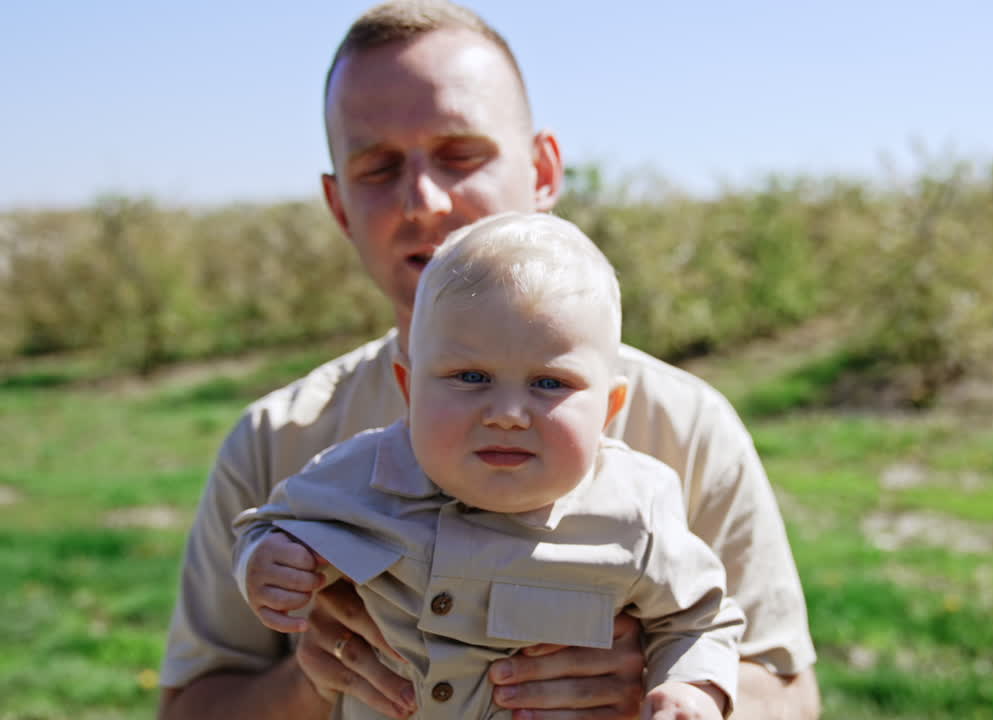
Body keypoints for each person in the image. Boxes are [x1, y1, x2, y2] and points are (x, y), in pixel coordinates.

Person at [157, 2, 820, 719]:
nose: (424, 200)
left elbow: (791, 694)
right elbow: (189, 705)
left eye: (460, 155)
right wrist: (313, 680)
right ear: (339, 205)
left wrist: (658, 687)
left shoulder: (686, 427)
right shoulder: (277, 442)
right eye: (377, 167)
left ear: (541, 171)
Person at [233, 212, 744, 720]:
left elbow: (701, 618)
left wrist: (691, 688)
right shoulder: (356, 474)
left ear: (609, 410)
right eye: (471, 376)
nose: (506, 415)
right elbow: (271, 523)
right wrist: (266, 558)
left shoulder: (635, 512)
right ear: (410, 391)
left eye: (549, 383)